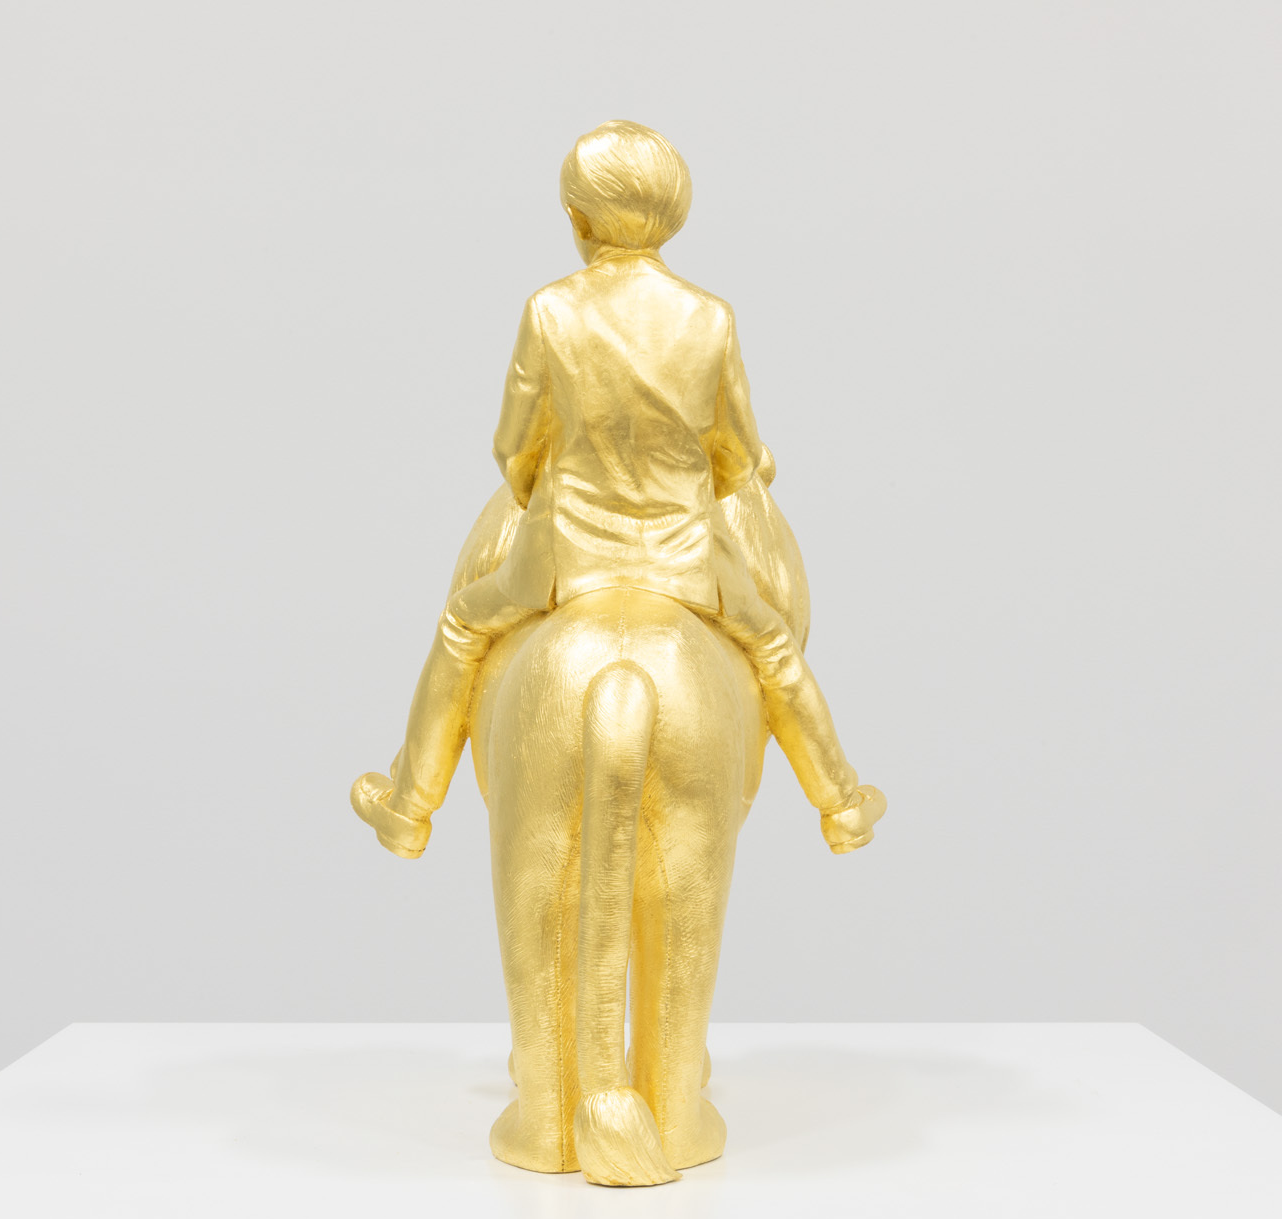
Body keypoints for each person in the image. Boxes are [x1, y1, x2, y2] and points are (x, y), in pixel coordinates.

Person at [351, 120, 886, 859]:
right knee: (771, 645)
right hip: (689, 562)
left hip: (561, 561)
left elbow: (513, 446)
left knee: (462, 628)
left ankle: (410, 805)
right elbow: (736, 455)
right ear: (674, 217)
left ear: (578, 218)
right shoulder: (711, 318)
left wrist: (539, 487)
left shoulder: (550, 310)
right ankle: (840, 803)